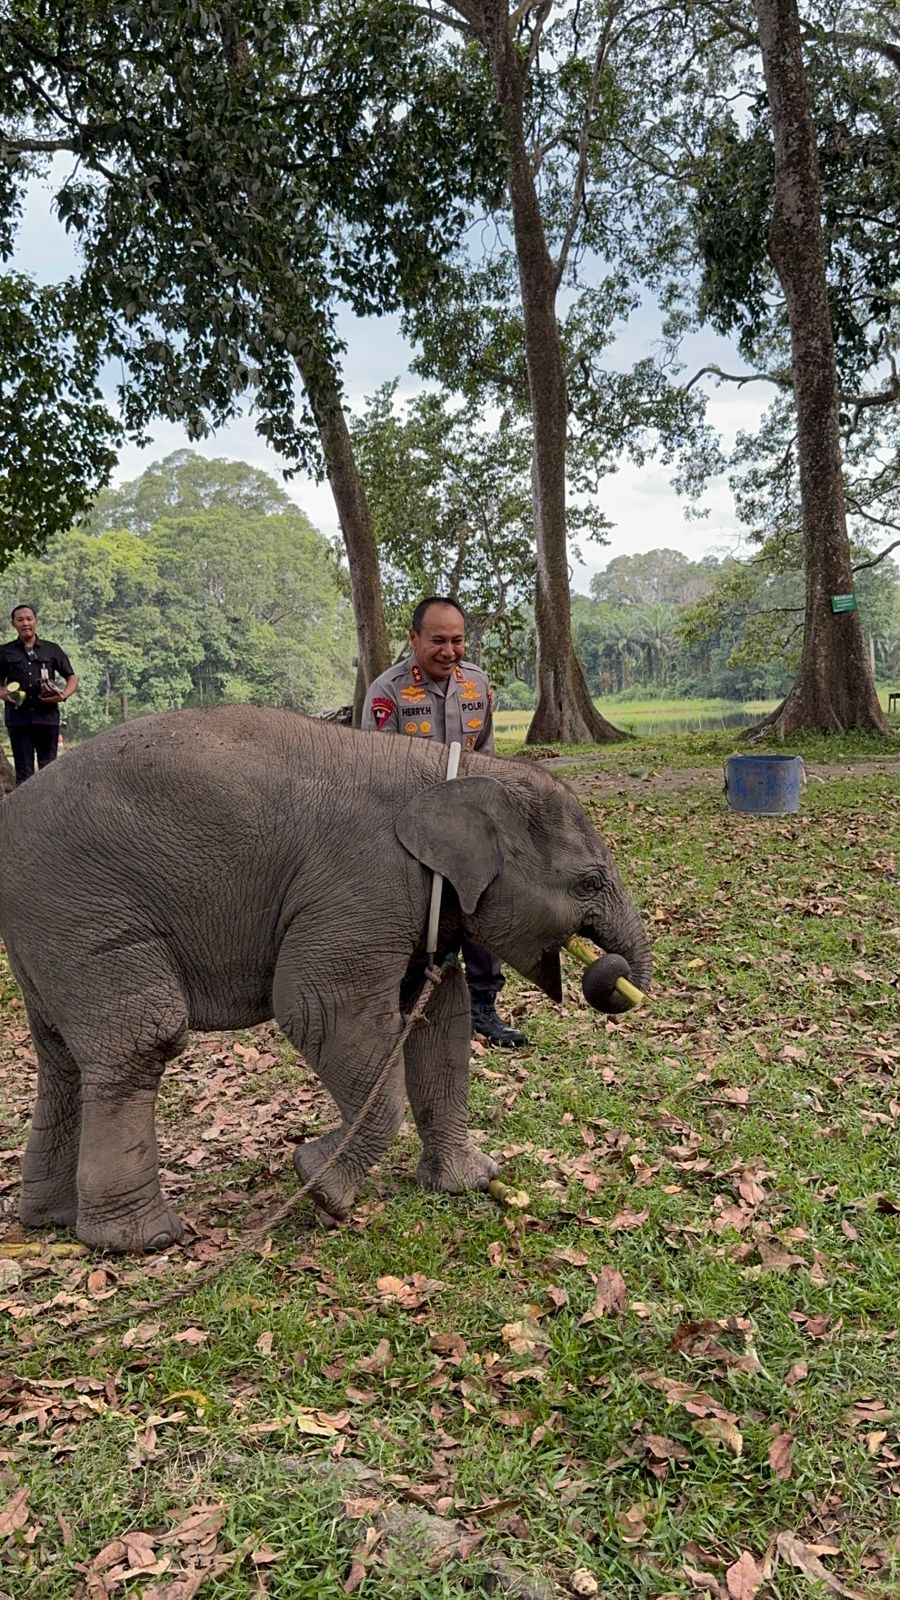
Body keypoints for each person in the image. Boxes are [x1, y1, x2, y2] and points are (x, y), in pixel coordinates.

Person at [362, 595, 527, 1048]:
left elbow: (486, 758)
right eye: (437, 640)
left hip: (466, 825)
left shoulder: (477, 684)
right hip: (407, 828)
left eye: (457, 640)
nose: (448, 651)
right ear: (414, 638)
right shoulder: (387, 693)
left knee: (481, 904)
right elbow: (375, 772)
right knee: (416, 921)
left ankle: (483, 1007)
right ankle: (411, 1005)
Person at [0, 606, 78, 785]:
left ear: (36, 621)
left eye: (29, 619)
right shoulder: (4, 652)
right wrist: (5, 694)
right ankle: (23, 804)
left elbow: (72, 678)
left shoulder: (52, 649)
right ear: (13, 624)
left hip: (47, 719)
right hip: (18, 720)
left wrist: (63, 695)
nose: (25, 623)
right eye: (20, 620)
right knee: (24, 774)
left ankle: (51, 803)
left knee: (49, 771)